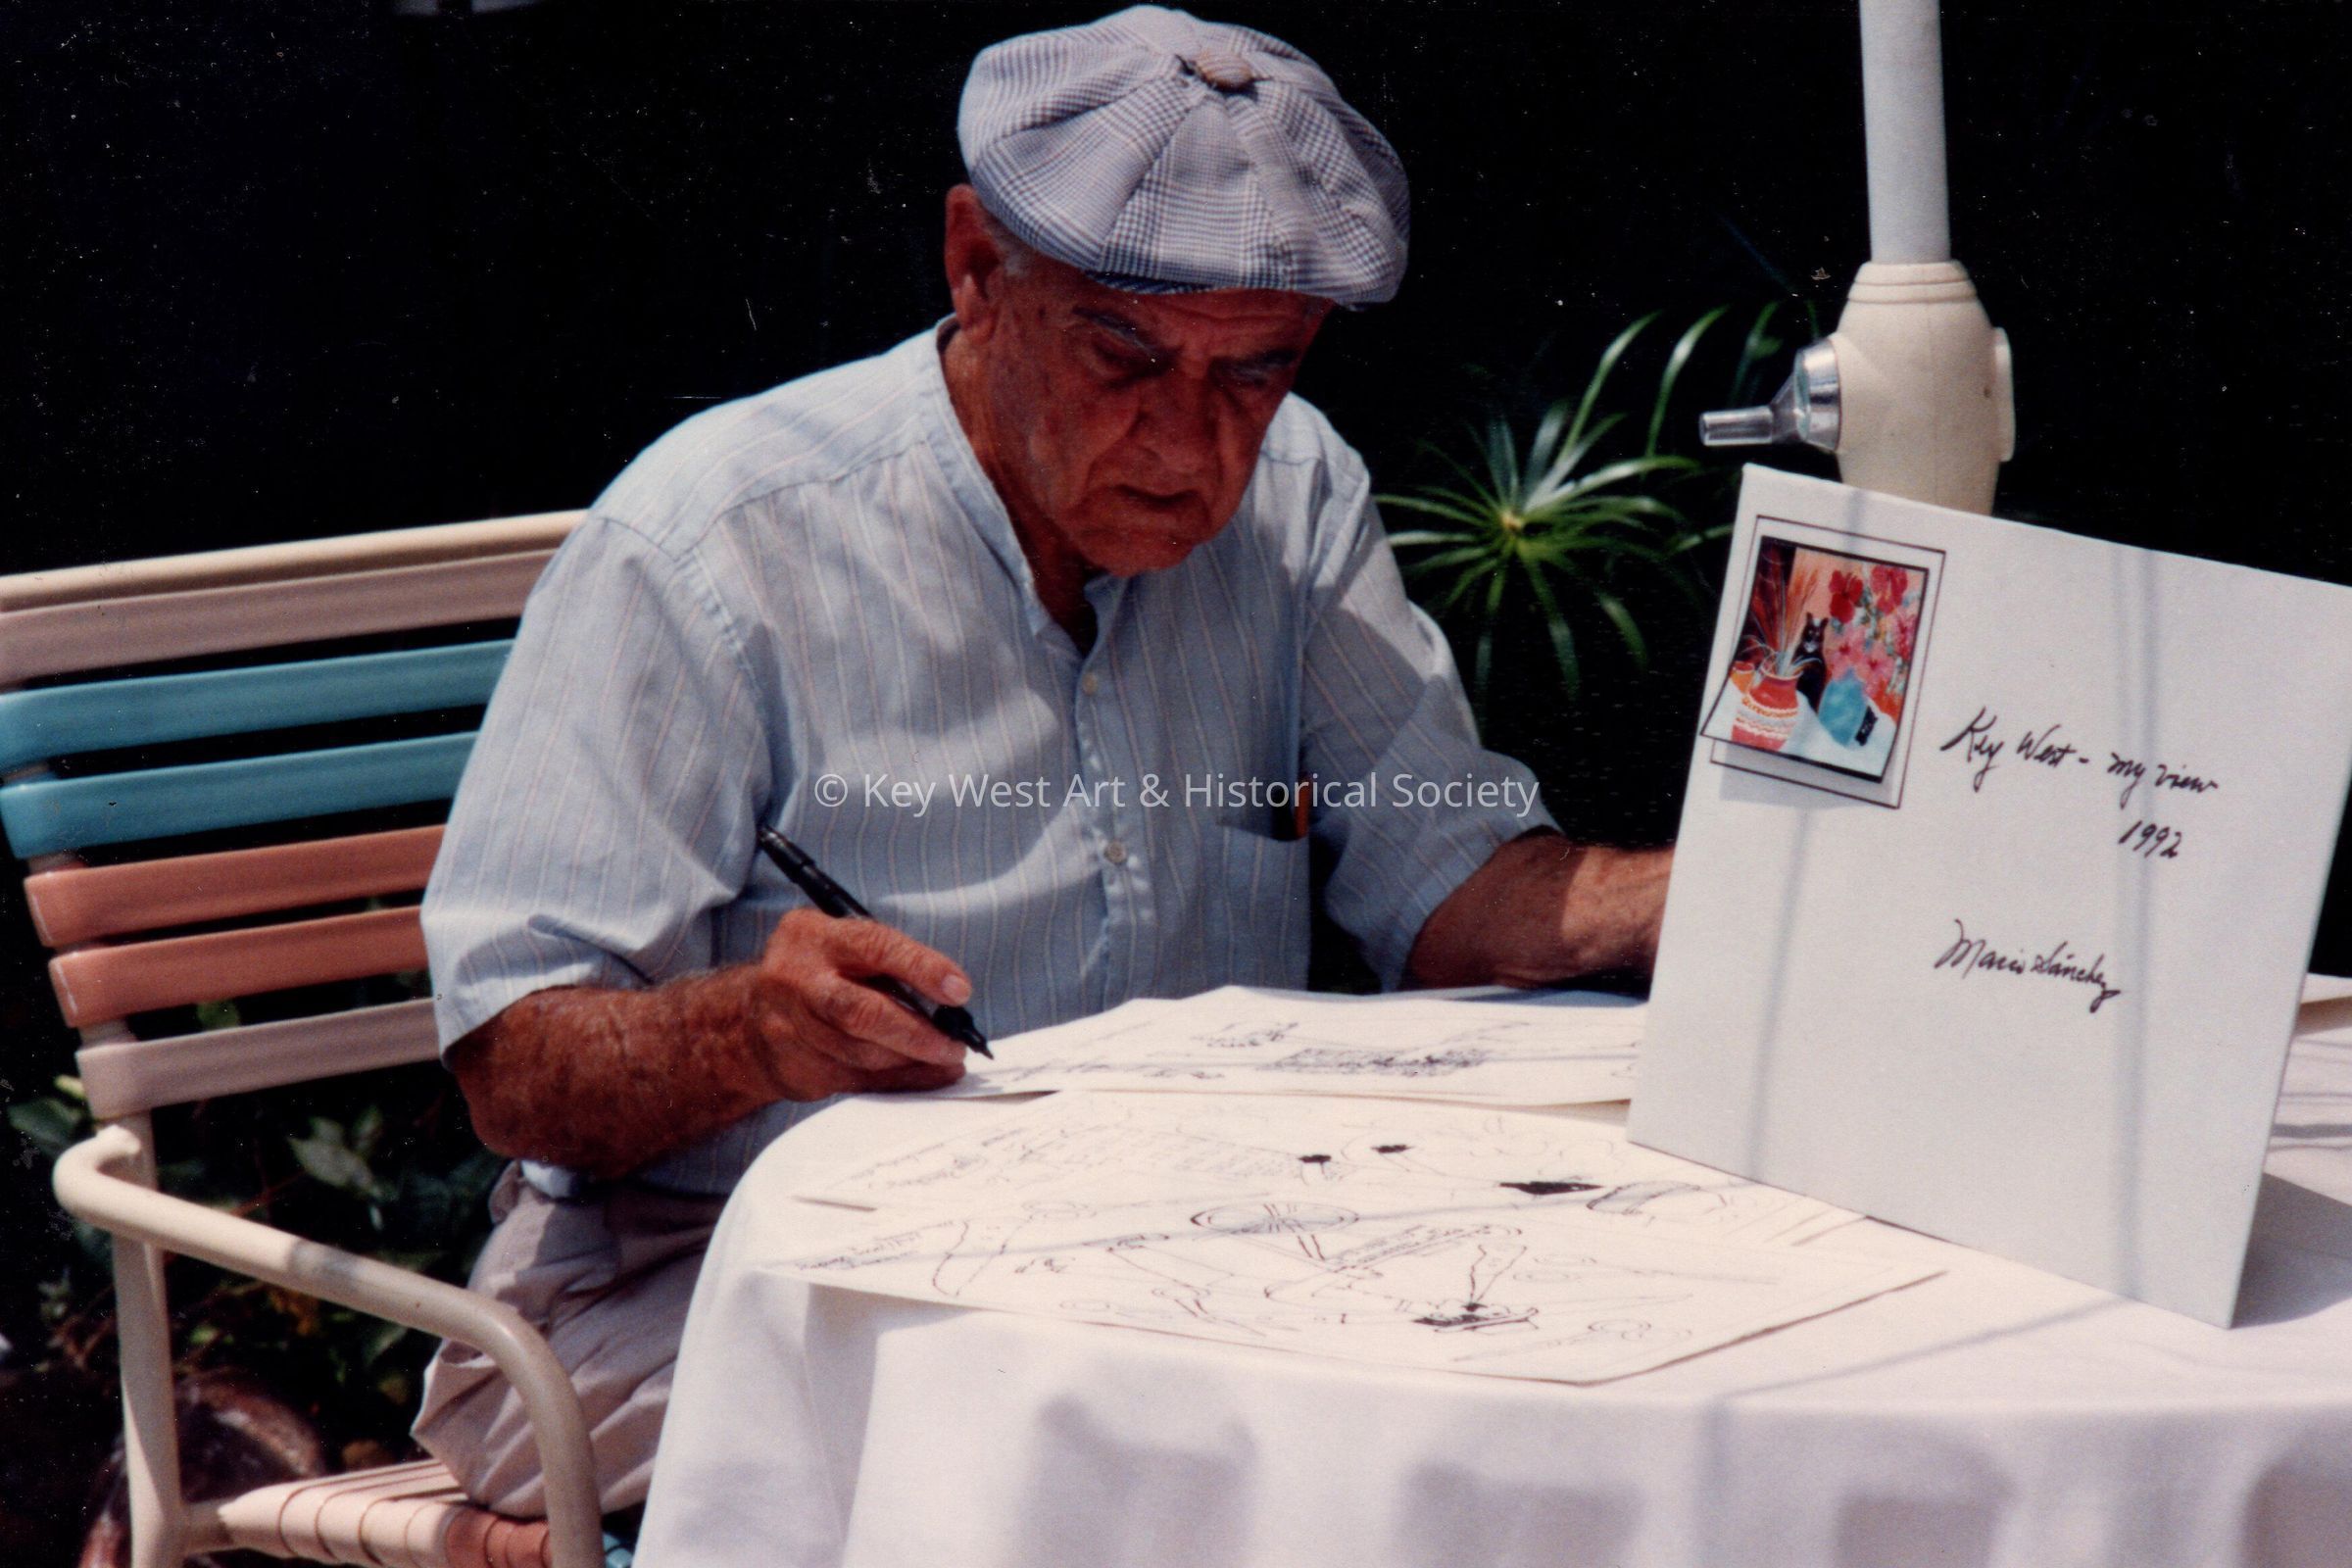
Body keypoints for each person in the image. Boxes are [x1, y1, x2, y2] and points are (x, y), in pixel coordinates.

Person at [412, 3, 1673, 1518]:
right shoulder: (715, 544)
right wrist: (751, 1031)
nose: (1189, 445)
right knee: (1157, 1429)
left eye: (1254, 374)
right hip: (706, 1281)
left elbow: (1453, 890)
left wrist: (1731, 896)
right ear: (974, 266)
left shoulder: (1297, 498)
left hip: (1160, 1257)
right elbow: (516, 1063)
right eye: (1123, 353)